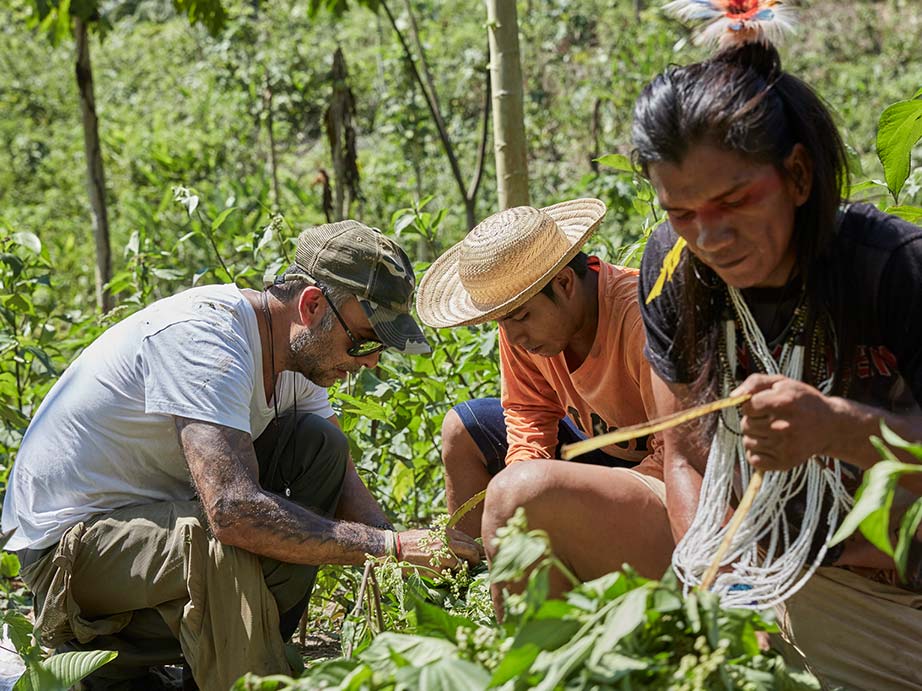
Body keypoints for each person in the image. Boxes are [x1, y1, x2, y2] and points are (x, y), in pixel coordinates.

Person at [2, 220, 480, 690]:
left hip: (152, 537)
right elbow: (232, 512)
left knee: (320, 448)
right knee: (212, 539)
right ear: (312, 305)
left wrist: (411, 558)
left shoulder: (297, 358)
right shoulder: (206, 339)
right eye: (364, 341)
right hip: (69, 560)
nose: (370, 361)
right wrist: (386, 548)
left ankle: (223, 659)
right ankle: (237, 677)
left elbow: (345, 490)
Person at [632, 23, 922, 690]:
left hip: (898, 597)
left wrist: (840, 427)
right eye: (681, 212)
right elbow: (684, 455)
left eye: (734, 201)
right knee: (534, 497)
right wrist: (720, 585)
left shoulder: (895, 270)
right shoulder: (671, 269)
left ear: (796, 174)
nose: (710, 236)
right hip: (775, 582)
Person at [416, 200, 674, 610]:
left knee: (522, 492)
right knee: (462, 431)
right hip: (597, 453)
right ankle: (470, 584)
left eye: (520, 317)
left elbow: (680, 458)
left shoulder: (640, 319)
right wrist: (515, 496)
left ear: (566, 284)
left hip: (662, 477)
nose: (513, 335)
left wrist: (555, 507)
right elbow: (527, 412)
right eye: (502, 322)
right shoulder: (523, 330)